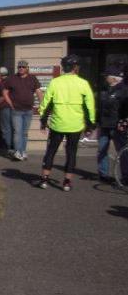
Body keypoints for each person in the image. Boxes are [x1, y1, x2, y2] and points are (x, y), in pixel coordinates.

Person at [36, 54, 96, 192]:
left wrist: (43, 121)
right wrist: (90, 124)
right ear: (75, 67)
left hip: (58, 123)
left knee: (51, 151)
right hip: (75, 125)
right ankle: (67, 182)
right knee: (71, 152)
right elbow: (89, 106)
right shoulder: (83, 83)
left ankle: (44, 179)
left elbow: (46, 103)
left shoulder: (55, 82)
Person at [2, 60, 42, 161]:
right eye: (19, 67)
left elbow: (38, 92)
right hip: (16, 110)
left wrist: (42, 104)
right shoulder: (12, 79)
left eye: (23, 67)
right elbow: (5, 92)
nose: (21, 68)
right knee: (17, 132)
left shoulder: (32, 78)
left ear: (27, 68)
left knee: (24, 133)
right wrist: (10, 104)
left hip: (28, 110)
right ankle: (17, 152)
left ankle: (23, 151)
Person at [96, 65, 128, 183]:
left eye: (107, 76)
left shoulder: (124, 90)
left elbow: (125, 109)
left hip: (117, 125)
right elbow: (100, 108)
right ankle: (103, 174)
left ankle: (126, 176)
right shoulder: (105, 89)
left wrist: (123, 121)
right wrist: (96, 122)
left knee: (122, 151)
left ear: (114, 78)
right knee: (102, 150)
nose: (105, 78)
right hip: (104, 125)